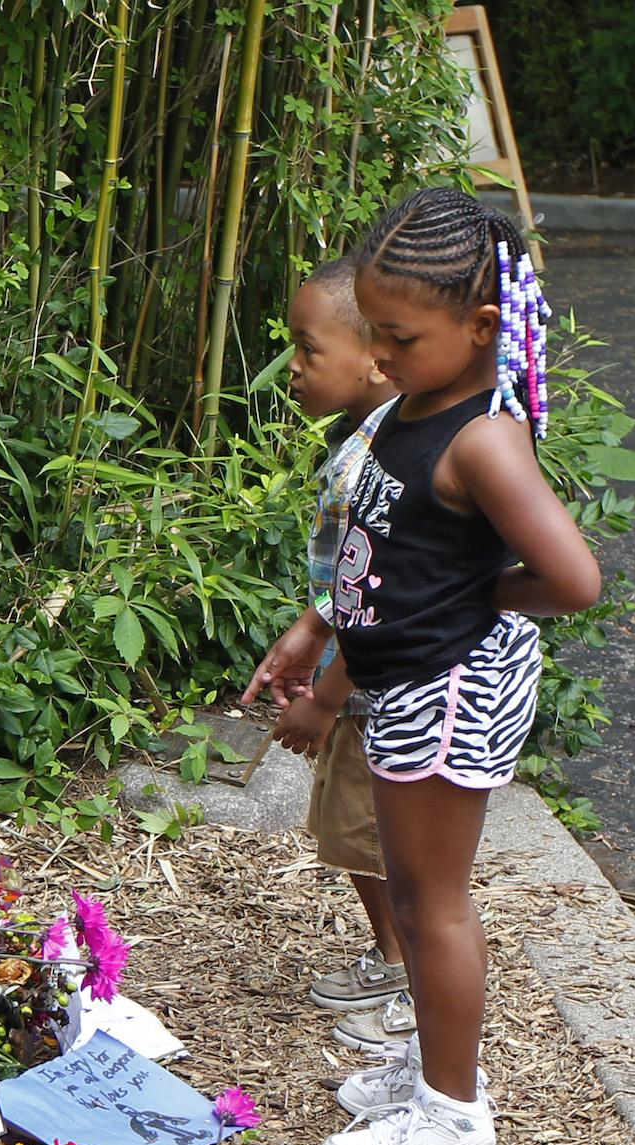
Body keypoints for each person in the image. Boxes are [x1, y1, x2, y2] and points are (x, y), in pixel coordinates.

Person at [281, 187, 600, 1145]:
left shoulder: (481, 438)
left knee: (431, 902)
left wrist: (477, 593)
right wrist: (321, 638)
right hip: (408, 680)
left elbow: (573, 580)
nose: (377, 356)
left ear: (477, 327)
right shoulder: (418, 400)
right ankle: (433, 1062)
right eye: (370, 333)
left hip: (446, 689)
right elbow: (376, 547)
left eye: (397, 337)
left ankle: (452, 1120)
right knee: (418, 897)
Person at [243, 257, 408, 1046]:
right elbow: (351, 575)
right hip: (363, 681)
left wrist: (328, 694)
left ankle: (410, 986)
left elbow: (385, 596)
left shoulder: (386, 461)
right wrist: (312, 628)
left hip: (384, 694)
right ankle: (395, 957)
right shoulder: (367, 442)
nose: (293, 369)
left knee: (377, 841)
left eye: (307, 349)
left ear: (375, 357)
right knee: (353, 836)